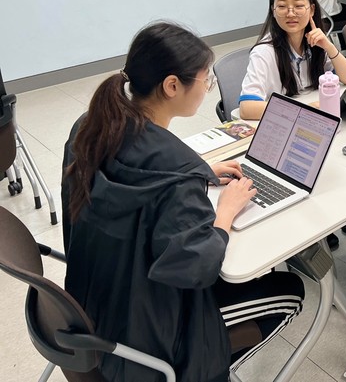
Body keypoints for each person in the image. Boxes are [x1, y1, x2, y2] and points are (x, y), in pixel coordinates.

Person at [61, 22, 305, 382]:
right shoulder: (176, 171)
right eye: (206, 80)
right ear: (172, 86)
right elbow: (198, 268)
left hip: (94, 306)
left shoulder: (90, 126)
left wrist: (197, 172)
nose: (208, 89)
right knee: (291, 291)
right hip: (151, 340)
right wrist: (225, 212)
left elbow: (137, 184)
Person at [239, 0, 346, 121]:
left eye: (299, 6)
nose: (290, 13)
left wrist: (329, 46)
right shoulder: (264, 52)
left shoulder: (315, 42)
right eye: (282, 6)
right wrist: (303, 110)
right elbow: (246, 108)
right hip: (282, 123)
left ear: (311, 9)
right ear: (273, 11)